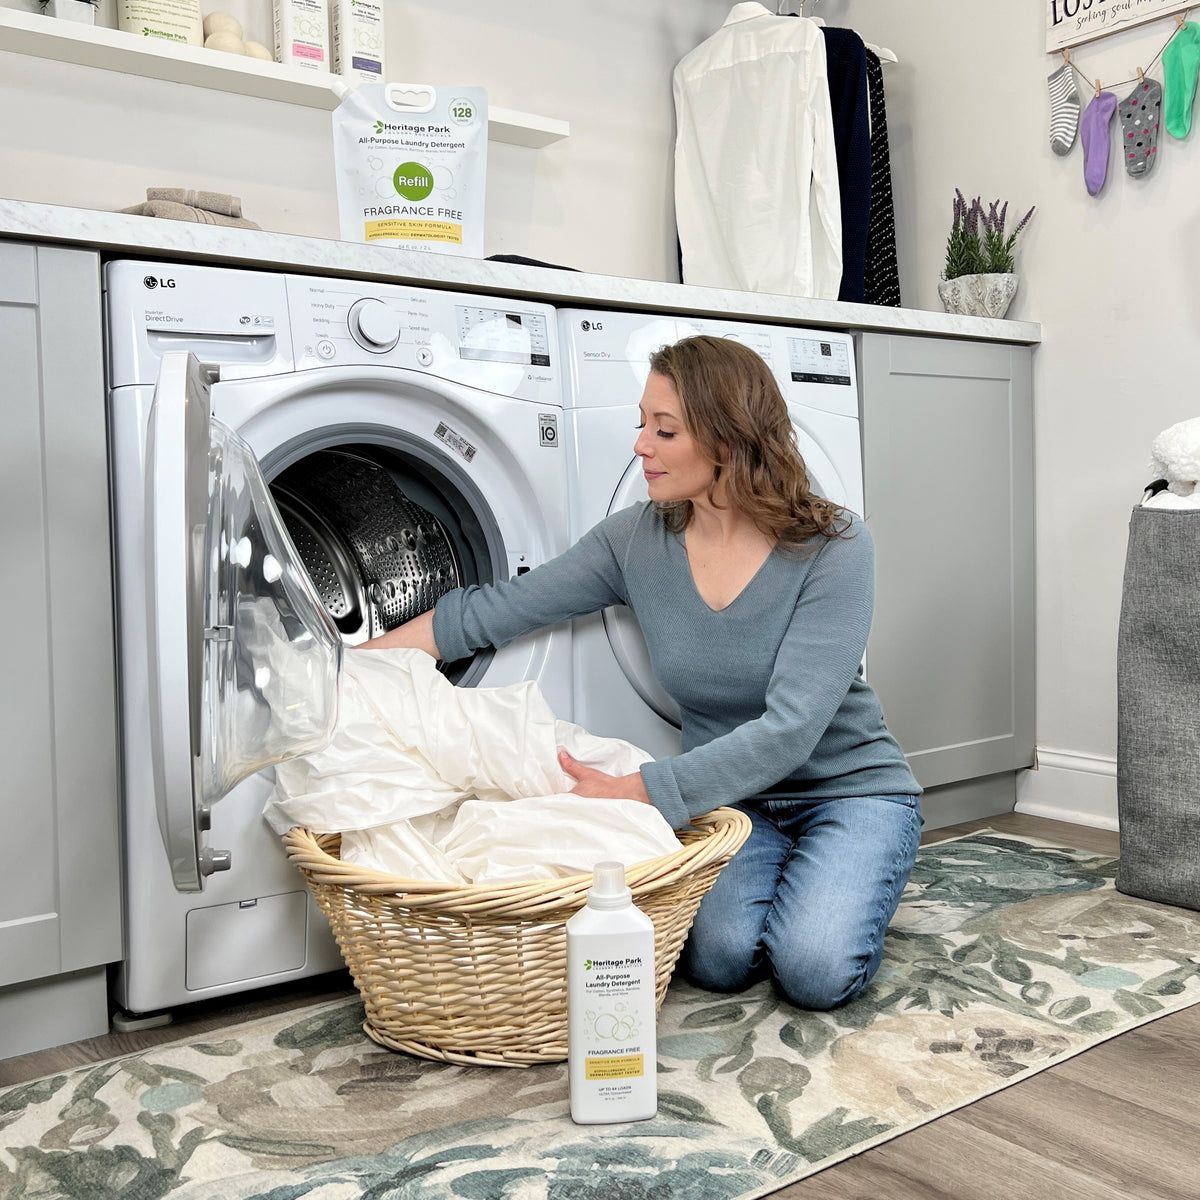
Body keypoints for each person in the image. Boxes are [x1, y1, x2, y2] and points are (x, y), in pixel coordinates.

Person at [361, 334, 922, 1011]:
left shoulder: (835, 546)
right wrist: (365, 659)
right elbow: (499, 609)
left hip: (848, 791)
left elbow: (792, 729)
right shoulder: (634, 542)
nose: (640, 447)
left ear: (727, 438)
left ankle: (854, 872)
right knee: (717, 961)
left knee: (813, 970)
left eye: (665, 430)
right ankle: (812, 887)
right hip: (731, 802)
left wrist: (642, 791)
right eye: (641, 425)